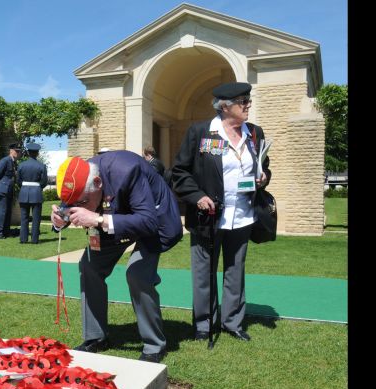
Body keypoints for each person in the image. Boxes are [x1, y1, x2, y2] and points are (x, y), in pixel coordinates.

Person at [51, 151, 182, 363]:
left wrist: (97, 218)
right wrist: (60, 221)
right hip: (111, 219)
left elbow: (147, 221)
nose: (79, 207)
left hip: (154, 222)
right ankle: (96, 337)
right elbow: (73, 205)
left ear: (97, 182)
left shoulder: (128, 170)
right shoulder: (77, 179)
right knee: (89, 267)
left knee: (137, 273)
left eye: (83, 202)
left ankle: (154, 345)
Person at [170, 81, 271, 343]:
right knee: (203, 273)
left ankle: (232, 322)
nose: (248, 105)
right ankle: (204, 324)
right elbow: (179, 172)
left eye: (248, 101)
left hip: (243, 215)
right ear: (225, 107)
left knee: (235, 270)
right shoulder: (201, 132)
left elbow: (264, 166)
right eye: (243, 102)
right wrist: (198, 196)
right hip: (208, 217)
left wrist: (263, 177)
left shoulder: (255, 133)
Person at [16, 143, 48, 244]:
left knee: (24, 218)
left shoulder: (21, 165)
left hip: (24, 192)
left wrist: (25, 186)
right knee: (36, 218)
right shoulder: (42, 166)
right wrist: (37, 187)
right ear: (37, 153)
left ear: (28, 153)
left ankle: (23, 239)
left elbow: (18, 181)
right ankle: (34, 239)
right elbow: (44, 182)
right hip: (36, 193)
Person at [0, 143, 21, 239]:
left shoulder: (13, 162)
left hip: (9, 190)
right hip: (2, 189)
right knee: (2, 212)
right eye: (16, 151)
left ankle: (6, 231)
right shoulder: (5, 160)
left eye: (19, 151)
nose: (18, 153)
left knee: (8, 212)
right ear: (11, 151)